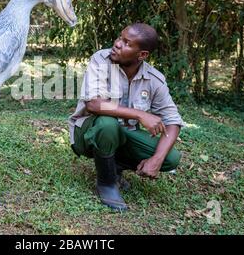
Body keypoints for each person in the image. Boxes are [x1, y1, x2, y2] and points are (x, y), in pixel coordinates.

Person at [68, 22, 185, 211]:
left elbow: (172, 120)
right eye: (119, 38)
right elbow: (94, 104)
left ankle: (114, 167)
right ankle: (107, 183)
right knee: (107, 124)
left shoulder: (154, 79)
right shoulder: (101, 60)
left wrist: (156, 159)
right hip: (88, 132)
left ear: (142, 55)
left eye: (127, 43)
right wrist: (140, 114)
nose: (117, 44)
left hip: (123, 136)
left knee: (170, 157)